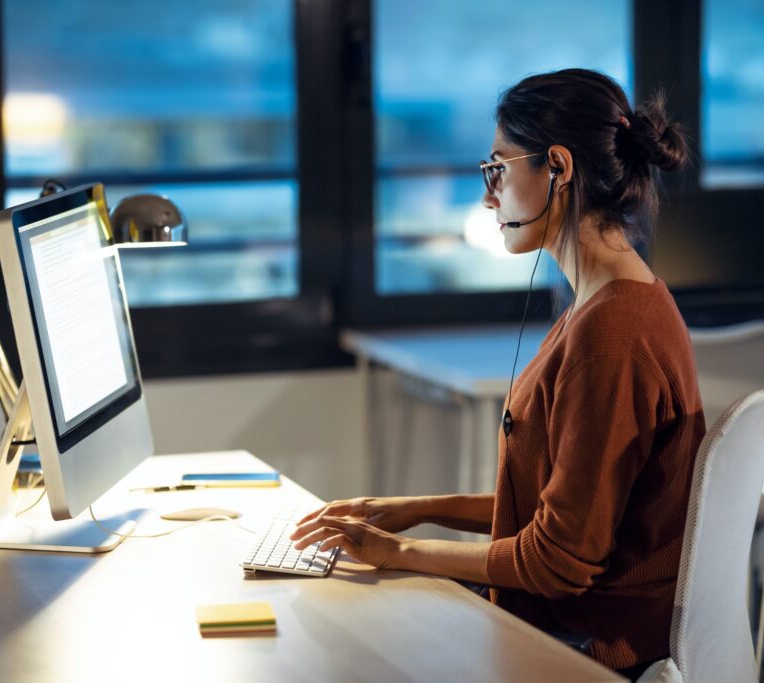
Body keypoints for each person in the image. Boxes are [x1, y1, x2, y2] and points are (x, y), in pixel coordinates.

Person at [289, 68, 706, 678]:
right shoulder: (608, 301)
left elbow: (559, 560)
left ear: (557, 168)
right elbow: (562, 509)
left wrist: (398, 552)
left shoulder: (611, 335)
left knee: (349, 644)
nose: (488, 196)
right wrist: (411, 509)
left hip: (590, 649)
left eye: (497, 170)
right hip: (577, 626)